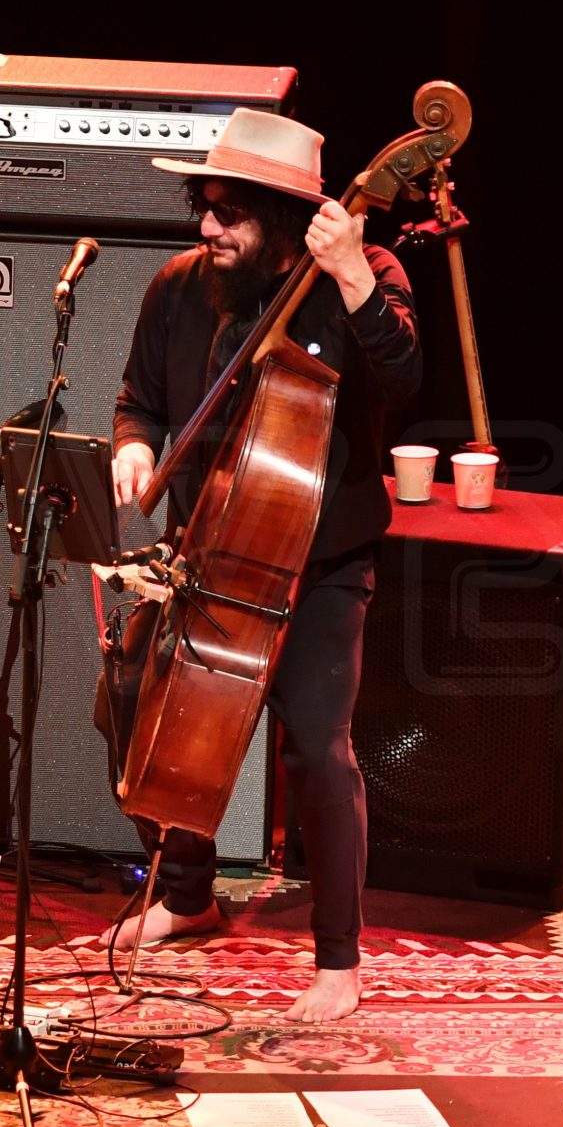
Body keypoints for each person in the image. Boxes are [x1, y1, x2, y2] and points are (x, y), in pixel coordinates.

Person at [96, 107, 420, 1025]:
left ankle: (338, 956)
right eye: (204, 206)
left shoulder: (363, 279)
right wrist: (133, 446)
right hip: (211, 546)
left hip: (322, 558)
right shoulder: (179, 287)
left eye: (229, 213)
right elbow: (138, 399)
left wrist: (355, 275)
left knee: (319, 745)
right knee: (137, 698)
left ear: (285, 219)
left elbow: (401, 381)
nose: (207, 227)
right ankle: (189, 892)